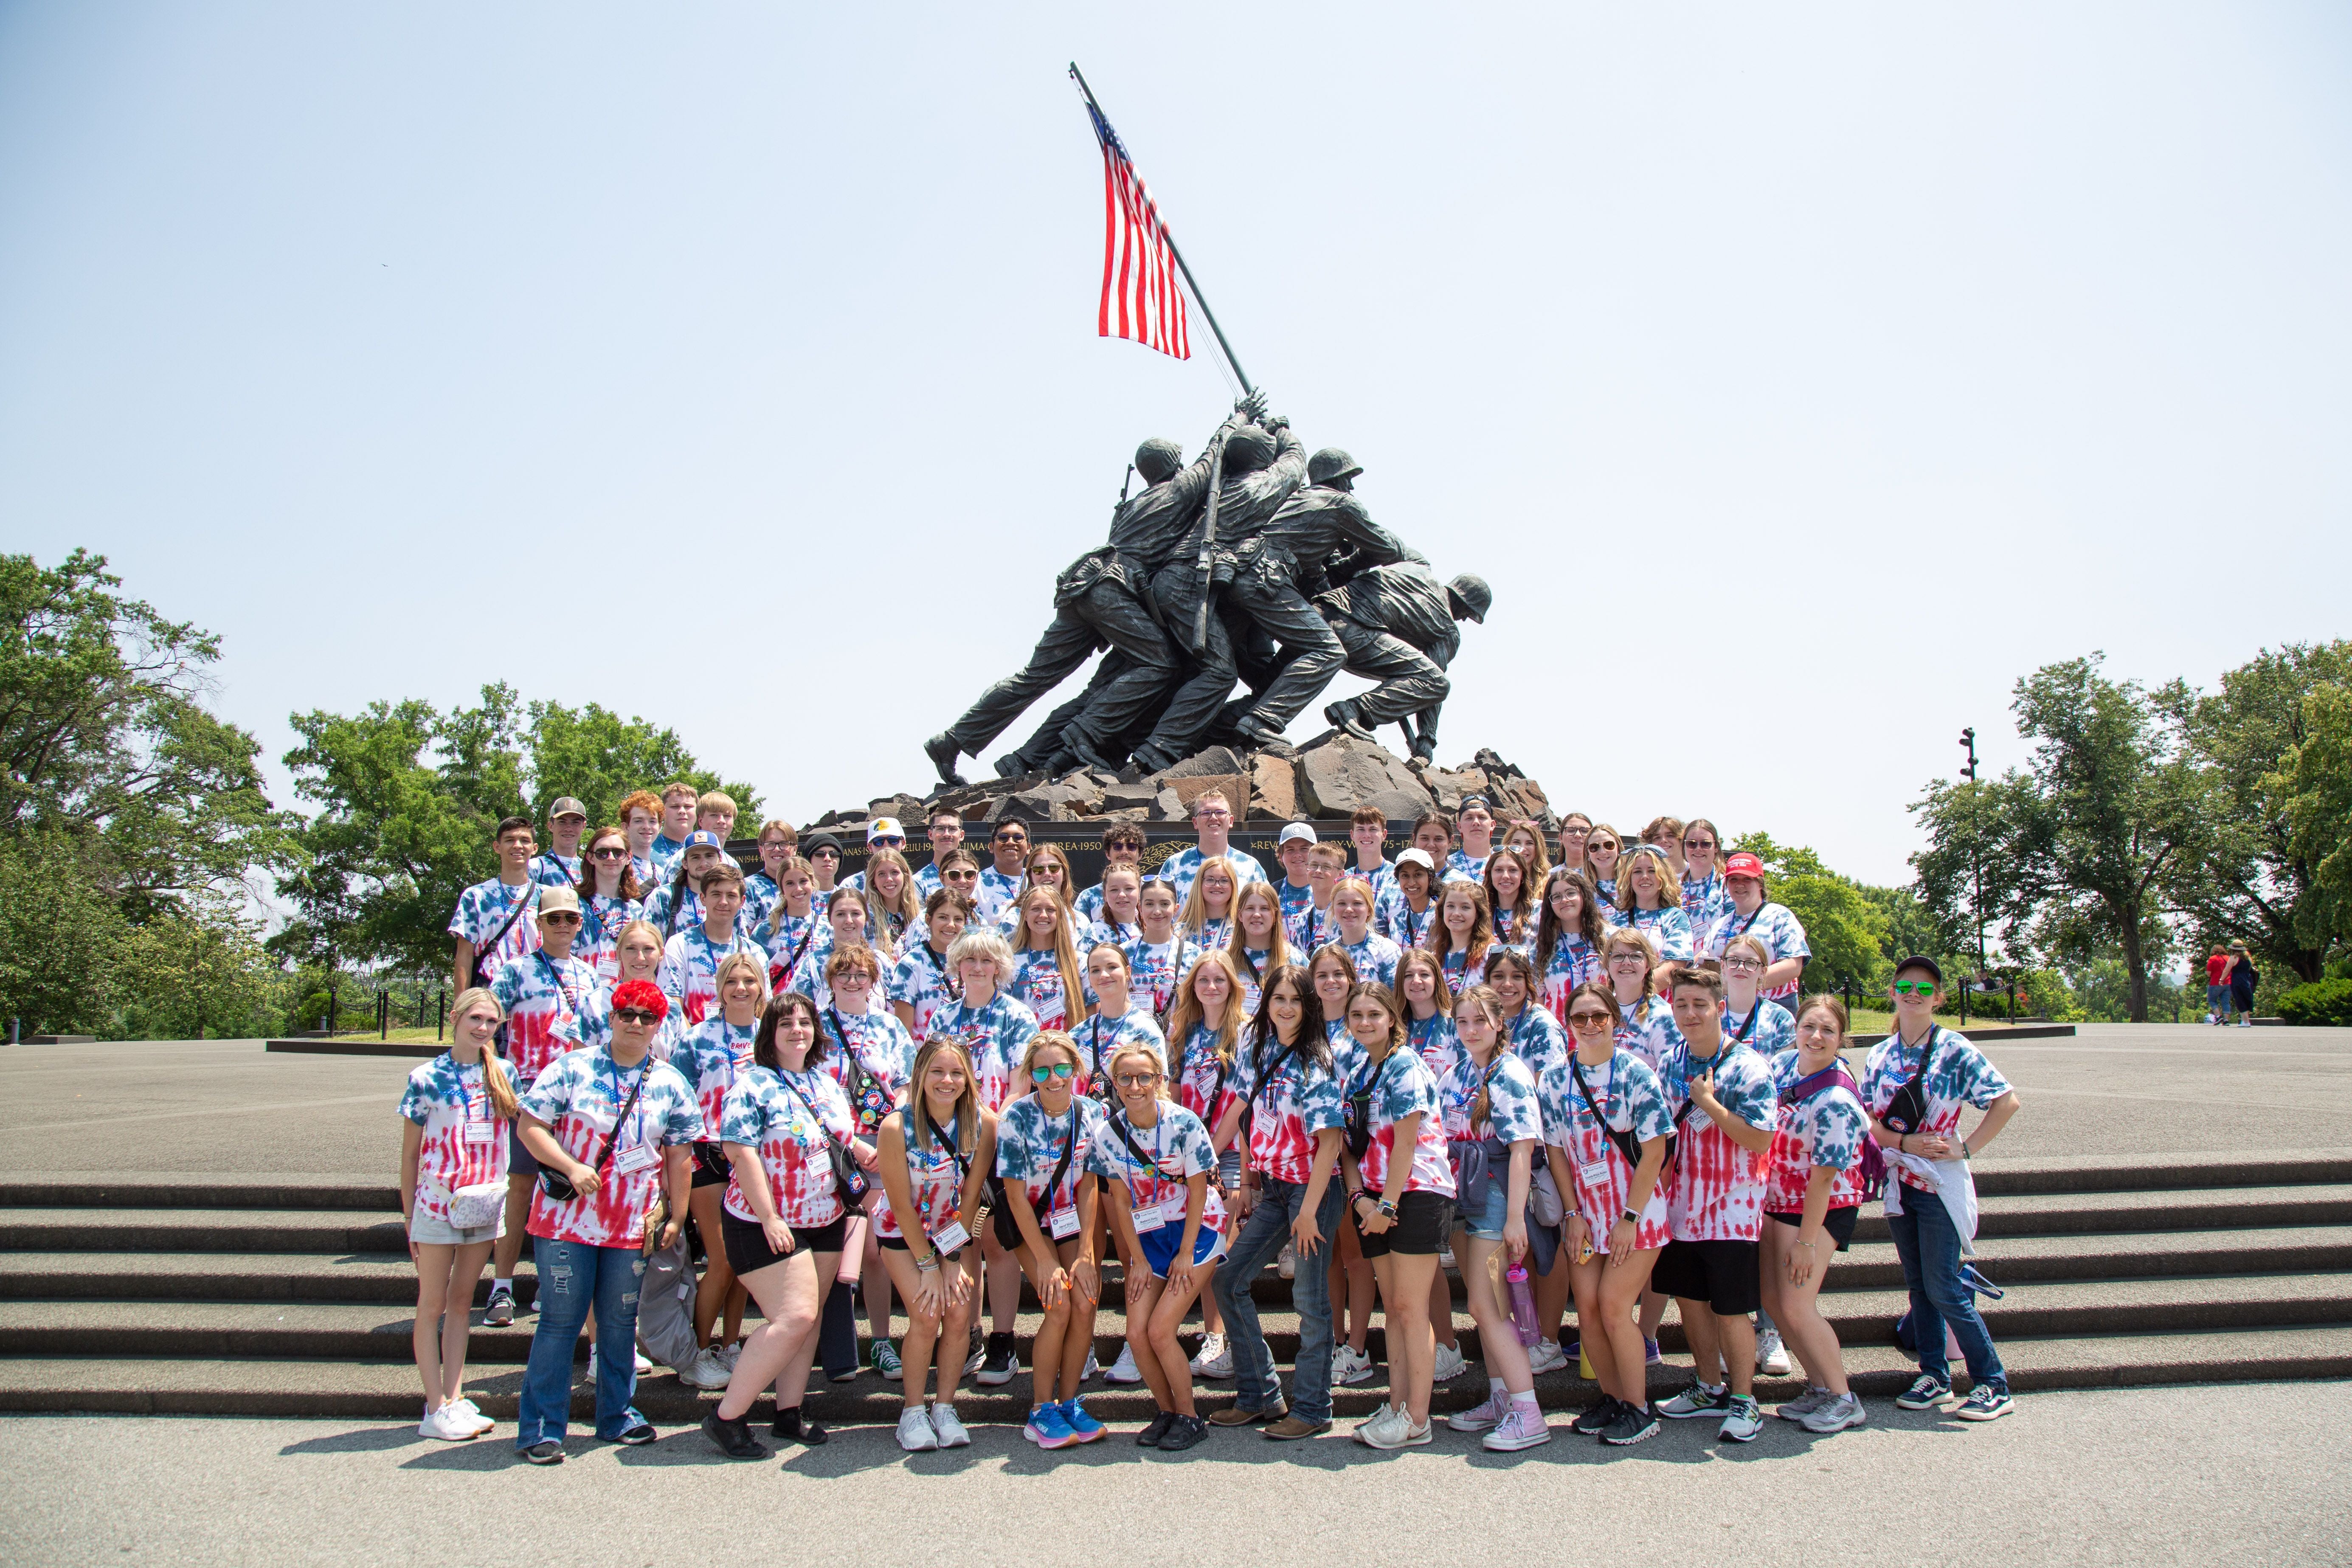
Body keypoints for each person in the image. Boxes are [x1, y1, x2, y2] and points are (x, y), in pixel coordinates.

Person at [512, 979, 697, 1462]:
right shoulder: (571, 1068)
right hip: (565, 1223)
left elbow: (679, 1156)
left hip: (629, 1226)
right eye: (627, 1014)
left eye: (647, 1017)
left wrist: (676, 1216)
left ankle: (616, 1415)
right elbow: (530, 1125)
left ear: (659, 1026)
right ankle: (541, 1427)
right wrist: (571, 1167)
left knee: (619, 1323)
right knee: (559, 1322)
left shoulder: (670, 1081)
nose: (636, 1024)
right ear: (611, 1018)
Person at [698, 991, 861, 1458]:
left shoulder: (825, 1082)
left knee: (806, 1322)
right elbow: (739, 1150)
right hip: (763, 1222)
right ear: (769, 1032)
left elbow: (839, 1143)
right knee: (794, 1317)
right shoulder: (751, 1085)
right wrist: (769, 1216)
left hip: (826, 1217)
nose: (797, 1030)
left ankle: (789, 1412)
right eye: (786, 1022)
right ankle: (727, 1416)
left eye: (805, 1022)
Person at [1864, 956, 2023, 1421]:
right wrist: (1901, 1141)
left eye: (1924, 987)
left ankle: (1992, 1382)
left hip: (1936, 1185)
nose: (1913, 993)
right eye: (1904, 984)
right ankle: (1932, 1374)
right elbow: (1868, 1120)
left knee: (1943, 1286)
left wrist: (1966, 1148)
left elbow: (2005, 1100)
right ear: (1892, 991)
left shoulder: (1954, 1049)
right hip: (1899, 1182)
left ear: (1938, 997)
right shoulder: (1880, 1054)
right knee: (1918, 1286)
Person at [1207, 965, 1346, 1438]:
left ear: (1308, 1007)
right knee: (1228, 1278)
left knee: (1309, 1301)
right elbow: (1246, 1113)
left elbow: (1330, 1143)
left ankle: (1311, 1409)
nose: (1285, 1008)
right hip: (1274, 1187)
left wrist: (1307, 1213)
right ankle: (1259, 1396)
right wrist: (1245, 1181)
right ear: (1266, 1003)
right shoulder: (1259, 1049)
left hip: (1313, 1192)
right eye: (1277, 999)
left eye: (1295, 1000)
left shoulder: (1317, 1059)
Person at [1651, 965, 1777, 1444]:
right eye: (1680, 1005)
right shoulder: (1670, 1060)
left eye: (1699, 1005)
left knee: (1729, 1309)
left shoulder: (1748, 1066)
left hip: (1731, 1206)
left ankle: (1745, 1399)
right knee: (1691, 1302)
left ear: (1719, 1008)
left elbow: (1761, 1139)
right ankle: (1708, 1386)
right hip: (1679, 1206)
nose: (1689, 1014)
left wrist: (1709, 1105)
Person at [1546, 978, 1671, 1447]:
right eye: (1579, 1018)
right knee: (1590, 1313)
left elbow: (1655, 1152)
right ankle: (1614, 1398)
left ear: (1613, 1021)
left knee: (1616, 1308)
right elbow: (1556, 1151)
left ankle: (1640, 1409)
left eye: (1598, 1016)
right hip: (1586, 1215)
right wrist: (1572, 1212)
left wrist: (1630, 1219)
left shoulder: (1636, 1074)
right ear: (1568, 1025)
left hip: (1634, 1214)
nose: (1590, 1025)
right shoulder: (1556, 1079)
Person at [1339, 981, 1455, 1448]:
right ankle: (1396, 1405)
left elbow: (1406, 1142)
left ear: (1392, 1018)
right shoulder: (1358, 1073)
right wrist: (1358, 1199)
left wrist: (1386, 1205)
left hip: (1415, 1195)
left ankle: (1418, 1418)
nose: (1365, 1022)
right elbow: (1349, 1146)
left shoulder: (1405, 1064)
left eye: (1374, 1014)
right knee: (1396, 1310)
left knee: (1411, 1309)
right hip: (1373, 1200)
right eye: (1356, 1015)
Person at [1096, 1043, 1229, 1449]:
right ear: (1114, 1083)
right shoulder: (1109, 1133)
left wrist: (1187, 1253)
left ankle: (1190, 1417)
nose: (1134, 1086)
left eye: (1144, 1077)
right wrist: (1136, 1259)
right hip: (1150, 1235)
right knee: (1136, 1334)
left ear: (1158, 1080)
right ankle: (1167, 1410)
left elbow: (1197, 1188)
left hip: (1198, 1228)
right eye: (1125, 1078)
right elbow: (1120, 1200)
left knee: (1159, 1329)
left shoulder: (1184, 1123)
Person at [923, 929, 1040, 1386]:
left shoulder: (1016, 1015)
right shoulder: (943, 1017)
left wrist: (987, 1136)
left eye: (985, 960)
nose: (976, 967)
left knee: (995, 1241)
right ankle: (966, 1331)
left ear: (999, 967)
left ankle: (1003, 1339)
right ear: (956, 966)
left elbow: (1018, 1086)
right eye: (968, 960)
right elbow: (933, 1082)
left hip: (996, 1147)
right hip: (951, 1151)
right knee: (962, 1239)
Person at [400, 987, 516, 1440]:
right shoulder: (425, 1077)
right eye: (476, 1019)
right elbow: (410, 1155)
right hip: (437, 1203)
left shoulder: (503, 1073)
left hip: (484, 1201)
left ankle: (454, 1395)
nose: (483, 1028)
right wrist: (409, 1216)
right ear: (455, 1018)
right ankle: (433, 1406)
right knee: (432, 1304)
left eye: (491, 1022)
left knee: (463, 1302)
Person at [1440, 984, 1551, 1450]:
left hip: (1495, 1195)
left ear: (1499, 1023)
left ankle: (1528, 1413)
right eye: (1462, 1022)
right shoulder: (1458, 1072)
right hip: (1463, 1195)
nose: (1470, 1030)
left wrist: (1513, 1220)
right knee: (1484, 1307)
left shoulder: (1510, 1073)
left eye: (1479, 1021)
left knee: (1488, 1307)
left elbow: (1523, 1149)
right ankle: (1500, 1396)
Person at [872, 1039, 996, 1451]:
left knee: (960, 1315)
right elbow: (900, 1205)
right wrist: (928, 1264)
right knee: (927, 1315)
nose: (947, 1081)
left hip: (951, 1233)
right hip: (902, 1235)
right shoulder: (895, 1127)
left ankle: (944, 1407)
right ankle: (911, 1412)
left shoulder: (984, 1123)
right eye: (937, 1072)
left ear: (968, 1079)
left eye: (957, 1073)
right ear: (920, 1075)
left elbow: (971, 1197)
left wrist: (952, 1259)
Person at [483, 886, 596, 1322]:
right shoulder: (515, 971)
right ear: (539, 923)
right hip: (527, 1095)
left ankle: (554, 1284)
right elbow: (490, 1025)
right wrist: (496, 1078)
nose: (563, 927)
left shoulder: (589, 977)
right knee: (520, 1189)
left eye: (570, 919)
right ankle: (502, 1285)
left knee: (564, 1192)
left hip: (575, 1101)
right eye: (554, 919)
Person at [994, 1031, 1111, 1448]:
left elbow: (1089, 1184)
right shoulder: (1016, 1117)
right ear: (1030, 1074)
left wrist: (1085, 1253)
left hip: (1071, 1222)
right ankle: (1040, 1410)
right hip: (1030, 1222)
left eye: (1062, 1067)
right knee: (1058, 1305)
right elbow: (1013, 1193)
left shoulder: (1094, 1112)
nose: (1053, 1077)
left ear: (1076, 1069)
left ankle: (1068, 1402)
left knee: (1085, 1303)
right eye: (1042, 1069)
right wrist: (1044, 1260)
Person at [1762, 994, 1872, 1434]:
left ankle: (1844, 1397)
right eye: (1809, 1026)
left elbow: (1824, 1179)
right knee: (1773, 1301)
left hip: (1818, 1209)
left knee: (1796, 1305)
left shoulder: (1836, 1100)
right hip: (1777, 1201)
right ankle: (1819, 1388)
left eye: (1827, 1030)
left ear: (1841, 1038)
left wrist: (1807, 1243)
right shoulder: (1784, 1066)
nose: (1815, 1036)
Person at [813, 942, 917, 1378]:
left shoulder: (890, 1027)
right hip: (828, 1150)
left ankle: (878, 1341)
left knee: (874, 1251)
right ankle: (827, 1344)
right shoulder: (814, 1026)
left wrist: (893, 1130)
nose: (853, 981)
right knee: (830, 1252)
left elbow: (907, 1082)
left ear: (874, 981)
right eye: (844, 973)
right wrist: (850, 1140)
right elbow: (807, 1088)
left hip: (880, 1150)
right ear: (830, 980)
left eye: (861, 975)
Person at [674, 953, 768, 1390]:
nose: (742, 988)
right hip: (707, 1153)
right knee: (722, 1258)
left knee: (744, 1260)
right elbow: (677, 1102)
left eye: (750, 980)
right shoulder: (695, 1039)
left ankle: (731, 1345)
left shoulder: (771, 1036)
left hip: (756, 1154)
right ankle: (693, 1350)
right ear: (719, 987)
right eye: (733, 981)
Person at [1165, 949, 1248, 1378]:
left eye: (1219, 980)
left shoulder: (1246, 1034)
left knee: (1222, 1252)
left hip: (1227, 1155)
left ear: (1232, 986)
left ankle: (1227, 1340)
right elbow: (1174, 1094)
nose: (1211, 987)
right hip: (1188, 1157)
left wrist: (1211, 1154)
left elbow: (1240, 1103)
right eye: (1203, 981)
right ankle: (1213, 1337)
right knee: (1199, 1246)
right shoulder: (1183, 1033)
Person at [656, 859, 762, 1027]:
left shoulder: (755, 952)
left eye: (731, 895)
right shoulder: (679, 945)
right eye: (716, 894)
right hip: (692, 1044)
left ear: (742, 902)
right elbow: (672, 1004)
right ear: (703, 898)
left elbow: (761, 1008)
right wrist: (698, 1040)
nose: (723, 902)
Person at [1702, 852, 1810, 1013]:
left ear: (1760, 883)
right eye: (1734, 880)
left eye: (1747, 879)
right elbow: (1708, 967)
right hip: (1728, 1010)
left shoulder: (1780, 917)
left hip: (1774, 1008)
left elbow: (1793, 967)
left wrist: (1740, 985)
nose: (1740, 885)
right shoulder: (1719, 925)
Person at [449, 816, 542, 994]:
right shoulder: (476, 896)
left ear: (535, 848)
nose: (518, 846)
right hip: (489, 992)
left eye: (525, 841)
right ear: (497, 847)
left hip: (536, 993)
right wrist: (461, 1006)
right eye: (510, 840)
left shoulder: (547, 896)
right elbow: (464, 955)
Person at [1075, 943, 1170, 1096]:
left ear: (1127, 972)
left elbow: (1159, 1093)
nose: (1104, 975)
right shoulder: (1077, 1034)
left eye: (1112, 967)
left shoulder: (1146, 1031)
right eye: (1095, 970)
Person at [1155, 791, 1269, 905]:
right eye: (1206, 813)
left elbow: (1267, 910)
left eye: (1220, 813)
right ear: (1195, 822)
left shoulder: (1250, 866)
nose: (1213, 818)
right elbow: (1159, 908)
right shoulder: (1175, 865)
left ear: (1231, 821)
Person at [887, 889, 970, 1040]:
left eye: (958, 919)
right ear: (928, 919)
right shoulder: (911, 964)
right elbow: (903, 1035)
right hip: (926, 1058)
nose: (951, 925)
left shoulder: (974, 962)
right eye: (943, 918)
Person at [1008, 885, 1086, 1032]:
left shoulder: (1080, 962)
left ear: (1061, 916)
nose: (1043, 915)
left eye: (1051, 910)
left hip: (1066, 1048)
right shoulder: (1009, 963)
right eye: (1036, 909)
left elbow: (1090, 1017)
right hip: (1022, 1049)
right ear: (1024, 915)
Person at [1535, 867, 1608, 1021]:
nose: (1565, 900)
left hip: (1602, 1031)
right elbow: (1538, 1004)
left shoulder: (1609, 939)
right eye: (1557, 896)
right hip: (1560, 1037)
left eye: (1571, 893)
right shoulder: (1542, 948)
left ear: (1583, 895)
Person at [576, 825, 647, 980]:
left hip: (626, 993)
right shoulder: (576, 905)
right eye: (602, 853)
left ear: (628, 857)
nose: (611, 858)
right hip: (586, 992)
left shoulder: (636, 910)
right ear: (590, 858)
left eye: (618, 853)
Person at [789, 884, 875, 1011]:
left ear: (866, 918)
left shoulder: (879, 961)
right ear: (830, 919)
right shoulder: (814, 963)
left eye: (856, 914)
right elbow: (796, 1010)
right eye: (841, 914)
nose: (849, 920)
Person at [1126, 880, 1203, 1021]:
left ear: (1176, 909)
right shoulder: (1125, 953)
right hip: (1133, 1038)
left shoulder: (1193, 954)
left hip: (1179, 1039)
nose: (1157, 911)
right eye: (1149, 904)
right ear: (1140, 909)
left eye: (1164, 904)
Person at [641, 830, 729, 941]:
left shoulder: (729, 898)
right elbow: (645, 942)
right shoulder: (663, 897)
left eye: (709, 856)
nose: (703, 863)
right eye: (696, 857)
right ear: (685, 863)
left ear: (720, 860)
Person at [1615, 845, 1695, 963]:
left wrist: (1637, 982)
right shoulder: (1616, 919)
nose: (1645, 877)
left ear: (1663, 877)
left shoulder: (1676, 918)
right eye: (1637, 872)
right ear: (1629, 879)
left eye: (1652, 871)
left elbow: (1673, 968)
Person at [1225, 879, 1293, 1015]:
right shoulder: (1225, 961)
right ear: (1240, 915)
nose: (1257, 914)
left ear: (1275, 915)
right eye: (1250, 908)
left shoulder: (1293, 960)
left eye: (1265, 908)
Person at [757, 853, 822, 987]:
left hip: (818, 1006)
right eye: (790, 883)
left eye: (803, 881)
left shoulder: (828, 926)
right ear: (782, 889)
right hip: (778, 1006)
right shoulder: (766, 930)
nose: (798, 889)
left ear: (813, 883)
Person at [1330, 875, 1402, 990]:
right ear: (1333, 909)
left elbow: (1396, 1001)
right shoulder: (1325, 952)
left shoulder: (1386, 951)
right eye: (1342, 903)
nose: (1349, 909)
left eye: (1357, 903)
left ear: (1369, 909)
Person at [1429, 878, 1497, 991]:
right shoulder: (1435, 957)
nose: (1456, 913)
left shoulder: (1490, 955)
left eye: (1465, 907)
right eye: (1451, 906)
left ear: (1478, 913)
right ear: (1442, 910)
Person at [1074, 824, 1147, 926]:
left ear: (1140, 855)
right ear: (1108, 854)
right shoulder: (1089, 897)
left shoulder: (1152, 893)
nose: (1124, 852)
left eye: (1131, 847)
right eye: (1118, 847)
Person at [861, 848, 925, 958]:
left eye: (894, 872)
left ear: (905, 876)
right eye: (882, 874)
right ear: (873, 881)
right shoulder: (864, 917)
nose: (889, 879)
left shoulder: (921, 916)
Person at [1375, 846, 1440, 949]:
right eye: (1405, 876)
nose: (1411, 883)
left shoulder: (1442, 917)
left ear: (1430, 878)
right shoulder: (1397, 921)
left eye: (1418, 875)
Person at [1286, 841, 1345, 956]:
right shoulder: (1302, 919)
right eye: (1313, 865)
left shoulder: (1345, 915)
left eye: (1326, 867)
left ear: (1341, 875)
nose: (1318, 871)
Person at [741, 820, 800, 931]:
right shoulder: (749, 887)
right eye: (770, 844)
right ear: (761, 850)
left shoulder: (806, 886)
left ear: (795, 849)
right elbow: (745, 935)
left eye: (784, 844)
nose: (777, 849)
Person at [1178, 854, 1241, 955]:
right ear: (1200, 884)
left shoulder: (1243, 929)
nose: (1217, 885)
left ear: (1233, 885)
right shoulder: (1181, 933)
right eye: (1210, 880)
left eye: (1224, 881)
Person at [1482, 847, 1538, 951]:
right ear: (1490, 874)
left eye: (1513, 870)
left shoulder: (1540, 911)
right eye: (1499, 870)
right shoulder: (1480, 911)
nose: (1505, 876)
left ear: (1522, 875)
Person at [1678, 818, 1727, 933]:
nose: (1698, 849)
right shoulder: (1673, 889)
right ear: (1684, 847)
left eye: (1706, 844)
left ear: (1716, 847)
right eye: (1692, 844)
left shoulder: (1727, 886)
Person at [529, 797, 589, 889]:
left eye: (575, 823)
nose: (569, 828)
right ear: (550, 826)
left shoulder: (590, 869)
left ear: (584, 826)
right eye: (562, 822)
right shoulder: (535, 867)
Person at [1085, 861, 1145, 949]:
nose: (1122, 895)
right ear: (1105, 895)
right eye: (1114, 890)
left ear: (1140, 892)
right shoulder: (1095, 933)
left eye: (1129, 889)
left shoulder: (1150, 928)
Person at [648, 782, 699, 879]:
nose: (682, 811)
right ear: (662, 812)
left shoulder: (707, 850)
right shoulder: (648, 849)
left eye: (688, 807)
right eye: (675, 807)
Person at [1274, 822, 1319, 929]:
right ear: (1281, 856)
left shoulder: (1330, 891)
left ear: (1315, 853)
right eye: (1291, 850)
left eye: (1304, 849)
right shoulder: (1273, 893)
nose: (1297, 855)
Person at [618, 789, 665, 888]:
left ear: (660, 827)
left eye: (652, 822)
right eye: (639, 821)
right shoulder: (617, 866)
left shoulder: (662, 874)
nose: (646, 827)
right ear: (626, 827)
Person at [1448, 796, 1499, 884]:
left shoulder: (1503, 863)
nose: (1476, 822)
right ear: (1459, 826)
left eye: (1482, 817)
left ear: (1492, 825)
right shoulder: (1448, 864)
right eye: (1469, 818)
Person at [1347, 807, 1395, 898]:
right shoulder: (1345, 878)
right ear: (1352, 835)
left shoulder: (1396, 876)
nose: (1367, 835)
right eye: (1361, 829)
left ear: (1384, 835)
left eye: (1373, 829)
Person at [917, 808, 964, 898]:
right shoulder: (919, 881)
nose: (947, 834)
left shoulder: (972, 879)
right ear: (931, 835)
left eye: (953, 829)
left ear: (961, 835)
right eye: (941, 829)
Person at [1640, 814, 1687, 885]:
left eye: (1670, 836)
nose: (1663, 840)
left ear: (1682, 840)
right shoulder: (1646, 878)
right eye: (1657, 838)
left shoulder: (1696, 873)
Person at [1585, 822, 1623, 906]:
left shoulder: (1632, 885)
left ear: (1619, 848)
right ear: (1587, 853)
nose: (1602, 852)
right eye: (1594, 847)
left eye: (1609, 845)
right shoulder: (1580, 888)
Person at [802, 833, 844, 909]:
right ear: (809, 860)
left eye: (834, 854)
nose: (828, 858)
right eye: (820, 854)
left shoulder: (848, 898)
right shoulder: (797, 897)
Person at [1555, 812, 1594, 882]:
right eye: (1571, 830)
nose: (1578, 835)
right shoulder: (1549, 877)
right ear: (1561, 838)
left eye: (1585, 831)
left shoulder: (1602, 875)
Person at [2229, 942, 2258, 1028]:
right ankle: (2245, 1020)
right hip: (2248, 980)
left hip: (2237, 980)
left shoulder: (2233, 958)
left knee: (2239, 999)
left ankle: (2246, 1022)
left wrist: (2222, 979)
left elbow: (2227, 970)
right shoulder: (2248, 959)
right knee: (2246, 999)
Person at [2206, 944, 2234, 1025]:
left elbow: (2209, 973)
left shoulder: (2212, 959)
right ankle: (2226, 1021)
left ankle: (2218, 1017)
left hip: (2215, 983)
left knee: (2212, 1000)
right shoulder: (2228, 958)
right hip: (2228, 983)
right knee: (2226, 1002)